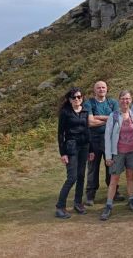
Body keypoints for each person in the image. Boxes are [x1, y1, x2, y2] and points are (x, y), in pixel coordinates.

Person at [100, 90, 133, 220]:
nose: (125, 101)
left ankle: (131, 200)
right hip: (117, 153)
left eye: (128, 99)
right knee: (114, 179)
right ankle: (108, 205)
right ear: (119, 100)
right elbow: (107, 137)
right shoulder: (113, 116)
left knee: (130, 177)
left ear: (131, 100)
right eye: (123, 98)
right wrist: (108, 156)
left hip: (132, 151)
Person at [55, 87, 94, 219]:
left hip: (84, 147)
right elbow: (60, 134)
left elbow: (88, 130)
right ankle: (60, 207)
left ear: (82, 98)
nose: (77, 99)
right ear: (69, 99)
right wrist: (63, 153)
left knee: (81, 176)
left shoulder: (85, 111)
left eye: (79, 97)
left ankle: (78, 203)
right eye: (74, 97)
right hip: (71, 147)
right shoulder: (65, 113)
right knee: (72, 177)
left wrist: (91, 150)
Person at [83, 80, 121, 206]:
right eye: (98, 88)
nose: (101, 89)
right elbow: (89, 122)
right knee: (93, 167)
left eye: (103, 87)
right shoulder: (89, 103)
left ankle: (114, 192)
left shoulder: (113, 102)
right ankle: (90, 195)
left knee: (111, 166)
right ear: (94, 90)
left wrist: (97, 117)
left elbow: (117, 119)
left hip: (110, 139)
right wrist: (108, 119)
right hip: (93, 140)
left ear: (107, 89)